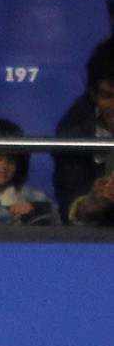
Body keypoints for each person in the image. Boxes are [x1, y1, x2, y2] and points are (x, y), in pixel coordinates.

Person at [54, 37, 114, 225]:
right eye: (107, 95)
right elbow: (69, 205)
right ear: (94, 94)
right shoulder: (74, 128)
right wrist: (90, 204)